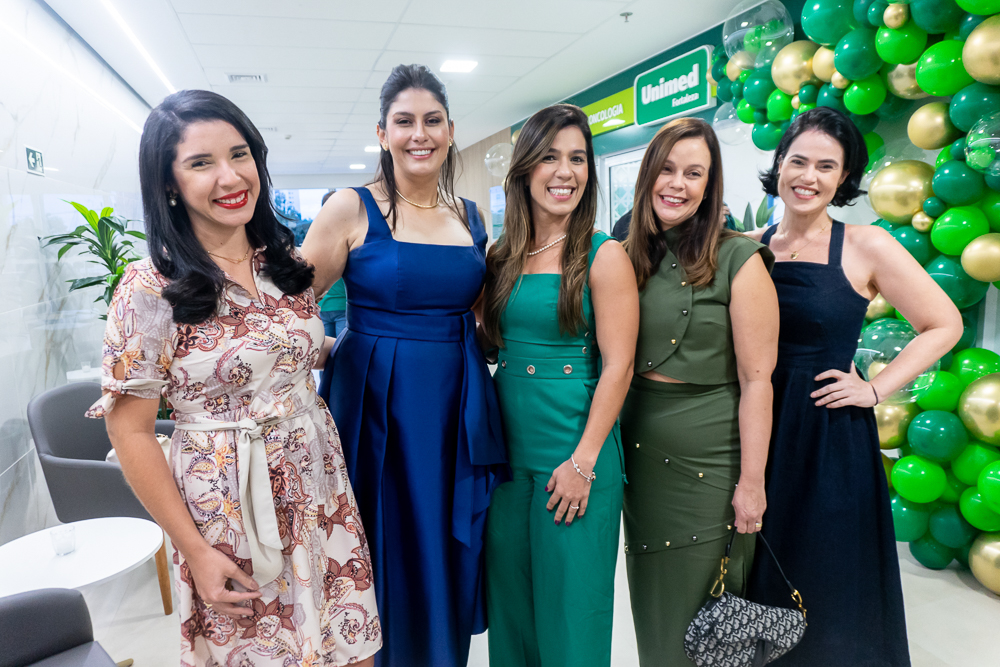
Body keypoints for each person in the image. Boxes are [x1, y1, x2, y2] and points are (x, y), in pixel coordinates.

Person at [86, 90, 380, 666]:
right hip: (228, 503)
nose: (230, 176)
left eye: (239, 153)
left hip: (320, 485)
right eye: (200, 163)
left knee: (350, 648)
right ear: (169, 183)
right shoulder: (150, 288)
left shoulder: (284, 261)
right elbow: (132, 433)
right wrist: (193, 549)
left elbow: (288, 354)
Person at [300, 64, 507, 667]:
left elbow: (481, 311)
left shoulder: (470, 217)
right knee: (378, 537)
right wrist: (330, 348)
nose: (420, 134)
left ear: (449, 131)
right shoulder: (350, 207)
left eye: (432, 121)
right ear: (383, 133)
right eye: (404, 121)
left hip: (454, 403)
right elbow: (288, 311)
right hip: (376, 402)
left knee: (442, 541)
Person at [745, 107, 962, 667]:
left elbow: (944, 324)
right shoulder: (748, 246)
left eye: (826, 166)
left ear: (843, 178)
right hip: (755, 429)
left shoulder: (866, 245)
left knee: (830, 576)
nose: (808, 176)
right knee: (764, 575)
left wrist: (874, 389)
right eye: (798, 161)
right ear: (779, 162)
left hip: (827, 435)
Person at [480, 104, 639, 666]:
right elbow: (487, 345)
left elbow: (619, 366)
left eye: (577, 158)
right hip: (507, 455)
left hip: (575, 449)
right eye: (550, 157)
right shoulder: (501, 256)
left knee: (572, 614)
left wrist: (584, 462)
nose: (565, 171)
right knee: (514, 609)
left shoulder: (603, 255)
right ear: (526, 169)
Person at [620, 117, 779, 665]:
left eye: (694, 173)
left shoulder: (740, 258)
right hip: (639, 462)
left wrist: (752, 484)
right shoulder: (626, 254)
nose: (677, 184)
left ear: (710, 187)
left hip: (710, 465)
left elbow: (759, 381)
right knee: (657, 611)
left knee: (708, 623)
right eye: (666, 169)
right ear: (647, 175)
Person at [317, 190, 348, 339]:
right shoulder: (318, 234)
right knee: (325, 355)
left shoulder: (349, 233)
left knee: (341, 351)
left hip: (342, 305)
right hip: (323, 306)